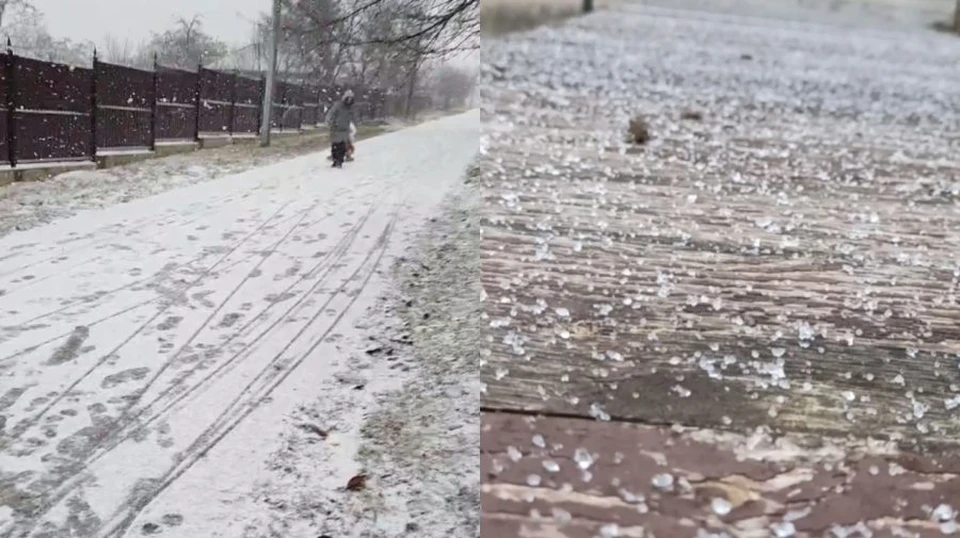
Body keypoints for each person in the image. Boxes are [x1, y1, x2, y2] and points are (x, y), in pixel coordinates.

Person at [326, 90, 355, 168]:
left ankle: (339, 161)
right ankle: (335, 160)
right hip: (336, 128)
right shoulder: (338, 106)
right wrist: (331, 123)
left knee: (342, 147)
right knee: (335, 145)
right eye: (348, 98)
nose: (349, 101)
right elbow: (331, 115)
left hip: (344, 129)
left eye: (351, 99)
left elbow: (350, 117)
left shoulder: (350, 108)